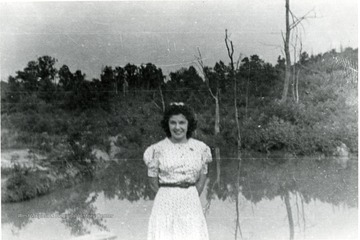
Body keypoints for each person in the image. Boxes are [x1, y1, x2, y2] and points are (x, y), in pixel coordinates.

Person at [143, 102, 212, 240]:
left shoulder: (200, 148)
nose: (177, 127)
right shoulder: (156, 150)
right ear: (167, 124)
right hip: (165, 202)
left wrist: (188, 193)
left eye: (182, 122)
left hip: (190, 201)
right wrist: (169, 195)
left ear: (188, 124)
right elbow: (152, 183)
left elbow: (202, 179)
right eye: (173, 123)